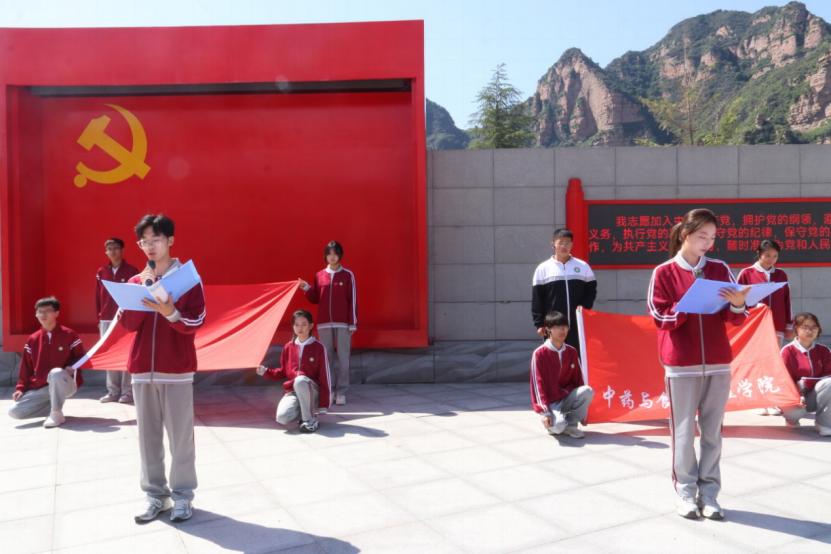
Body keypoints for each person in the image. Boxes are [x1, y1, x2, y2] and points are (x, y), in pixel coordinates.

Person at [647, 208, 749, 521]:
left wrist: (738, 304)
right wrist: (688, 305)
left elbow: (735, 317)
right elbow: (659, 315)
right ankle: (686, 492)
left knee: (713, 433)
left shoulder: (719, 268)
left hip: (718, 362)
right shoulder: (664, 272)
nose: (707, 243)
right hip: (681, 365)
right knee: (682, 431)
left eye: (712, 237)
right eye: (702, 236)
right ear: (685, 234)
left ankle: (710, 494)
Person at [121, 214, 206, 524]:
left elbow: (196, 321)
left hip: (177, 370)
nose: (150, 246)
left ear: (170, 240)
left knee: (181, 438)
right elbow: (128, 324)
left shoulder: (188, 279)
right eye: (144, 241)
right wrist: (143, 294)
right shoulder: (135, 281)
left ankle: (182, 496)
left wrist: (171, 312)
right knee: (148, 438)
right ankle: (156, 496)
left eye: (155, 239)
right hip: (142, 370)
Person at [8, 297, 85, 428]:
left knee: (56, 373)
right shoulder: (33, 339)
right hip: (42, 387)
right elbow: (26, 367)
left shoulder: (70, 334)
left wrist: (72, 367)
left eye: (47, 311)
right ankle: (54, 408)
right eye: (39, 311)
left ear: (56, 313)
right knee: (14, 412)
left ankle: (56, 414)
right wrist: (20, 388)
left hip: (65, 383)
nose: (43, 315)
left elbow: (81, 357)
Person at [737, 239, 793, 416]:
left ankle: (772, 400)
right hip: (754, 327)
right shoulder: (747, 273)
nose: (771, 259)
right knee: (757, 361)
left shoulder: (781, 275)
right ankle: (758, 400)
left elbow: (787, 301)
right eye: (767, 255)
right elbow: (738, 300)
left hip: (776, 324)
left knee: (772, 361)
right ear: (759, 254)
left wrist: (789, 325)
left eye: (775, 256)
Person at [298, 240, 356, 406]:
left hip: (343, 323)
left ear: (340, 255)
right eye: (329, 254)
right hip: (324, 323)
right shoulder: (319, 275)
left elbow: (352, 300)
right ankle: (328, 390)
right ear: (325, 256)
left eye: (335, 253)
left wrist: (353, 322)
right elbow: (316, 298)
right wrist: (307, 288)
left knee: (343, 358)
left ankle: (341, 391)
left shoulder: (348, 275)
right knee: (326, 359)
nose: (332, 257)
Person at [257, 309, 332, 433]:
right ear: (293, 326)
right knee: (282, 417)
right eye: (296, 324)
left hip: (312, 391)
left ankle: (309, 421)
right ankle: (304, 412)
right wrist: (266, 371)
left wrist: (324, 404)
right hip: (293, 391)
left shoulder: (319, 348)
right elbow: (282, 371)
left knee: (300, 380)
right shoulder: (288, 347)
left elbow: (325, 376)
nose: (300, 328)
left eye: (304, 324)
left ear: (311, 326)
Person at [530, 311, 594, 439]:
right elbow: (538, 386)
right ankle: (557, 422)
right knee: (558, 427)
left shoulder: (571, 352)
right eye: (558, 327)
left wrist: (584, 412)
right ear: (548, 329)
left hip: (567, 397)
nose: (563, 330)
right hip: (551, 402)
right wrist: (544, 412)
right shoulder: (539, 354)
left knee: (587, 391)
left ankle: (571, 425)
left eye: (565, 327)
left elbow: (579, 381)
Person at [532, 228, 597, 351]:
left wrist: (584, 307)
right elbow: (537, 299)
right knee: (554, 356)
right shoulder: (543, 269)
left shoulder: (583, 267)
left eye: (567, 243)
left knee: (576, 355)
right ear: (553, 244)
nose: (564, 246)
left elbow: (591, 291)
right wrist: (539, 323)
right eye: (560, 242)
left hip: (577, 323)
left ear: (572, 244)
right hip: (553, 325)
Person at [95, 237, 139, 403]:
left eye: (116, 248)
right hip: (106, 319)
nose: (112, 251)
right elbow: (97, 296)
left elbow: (136, 296)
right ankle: (112, 391)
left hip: (125, 319)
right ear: (106, 252)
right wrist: (99, 317)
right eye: (109, 249)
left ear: (122, 250)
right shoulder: (101, 272)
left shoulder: (132, 271)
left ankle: (127, 392)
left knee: (126, 353)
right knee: (109, 352)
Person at [780, 312, 831, 436]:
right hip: (794, 398)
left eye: (814, 327)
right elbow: (784, 380)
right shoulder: (787, 351)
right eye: (805, 327)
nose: (810, 331)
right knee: (794, 413)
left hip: (815, 396)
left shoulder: (824, 350)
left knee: (829, 384)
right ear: (796, 329)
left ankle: (823, 423)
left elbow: (829, 376)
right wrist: (797, 394)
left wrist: (805, 382)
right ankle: (791, 419)